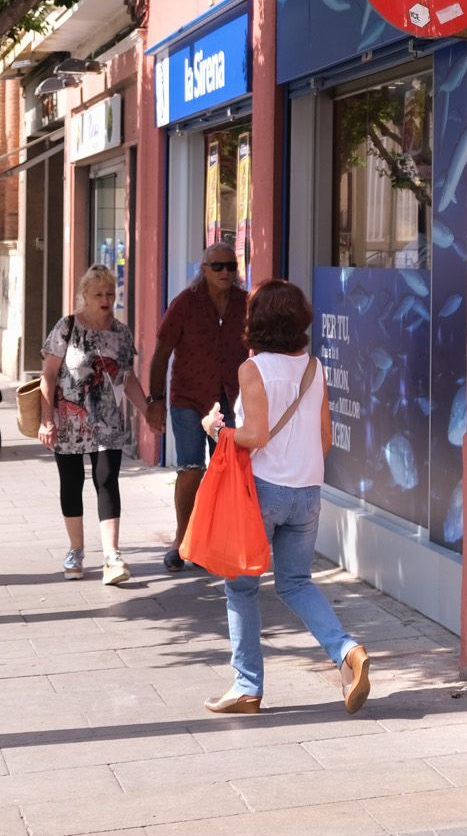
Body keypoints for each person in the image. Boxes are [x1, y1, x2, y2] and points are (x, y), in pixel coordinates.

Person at [199, 279, 370, 715]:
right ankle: (347, 650)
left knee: (241, 588)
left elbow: (253, 436)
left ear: (258, 321)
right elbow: (326, 437)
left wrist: (217, 429)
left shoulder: (253, 369)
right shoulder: (314, 367)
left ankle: (247, 686)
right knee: (296, 582)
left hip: (263, 491)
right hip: (308, 491)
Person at [40, 265, 149, 585]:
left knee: (107, 480)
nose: (106, 299)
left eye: (110, 294)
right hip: (69, 419)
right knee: (71, 483)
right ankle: (75, 550)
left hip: (107, 420)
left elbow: (127, 378)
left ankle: (112, 557)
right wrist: (47, 419)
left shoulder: (121, 333)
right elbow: (48, 375)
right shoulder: (67, 327)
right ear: (84, 296)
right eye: (98, 294)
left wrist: (147, 412)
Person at [146, 243, 249, 572]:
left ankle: (212, 541)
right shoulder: (186, 303)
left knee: (225, 473)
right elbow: (162, 351)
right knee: (191, 468)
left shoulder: (245, 305)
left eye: (230, 266)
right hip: (188, 398)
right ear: (203, 269)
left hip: (230, 400)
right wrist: (155, 399)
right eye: (217, 266)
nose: (225, 272)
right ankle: (181, 540)